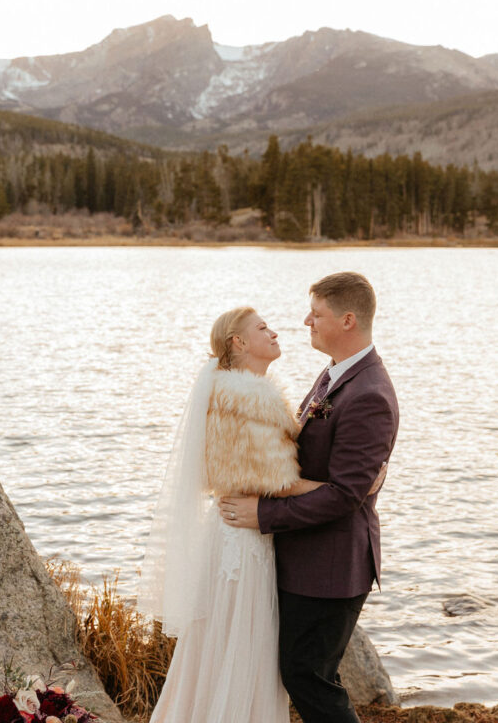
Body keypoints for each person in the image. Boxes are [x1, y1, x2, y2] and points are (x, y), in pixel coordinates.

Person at [220, 271, 399, 723]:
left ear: (347, 320)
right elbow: (311, 464)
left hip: (332, 565)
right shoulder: (334, 375)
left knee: (307, 675)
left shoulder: (369, 394)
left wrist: (262, 513)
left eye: (317, 314)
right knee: (305, 673)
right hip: (308, 558)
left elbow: (342, 497)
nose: (306, 321)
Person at [138, 306, 323, 723]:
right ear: (238, 342)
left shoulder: (224, 390)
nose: (274, 332)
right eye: (262, 328)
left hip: (228, 533)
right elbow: (281, 481)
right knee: (243, 646)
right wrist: (350, 489)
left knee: (216, 646)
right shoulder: (249, 399)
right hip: (245, 540)